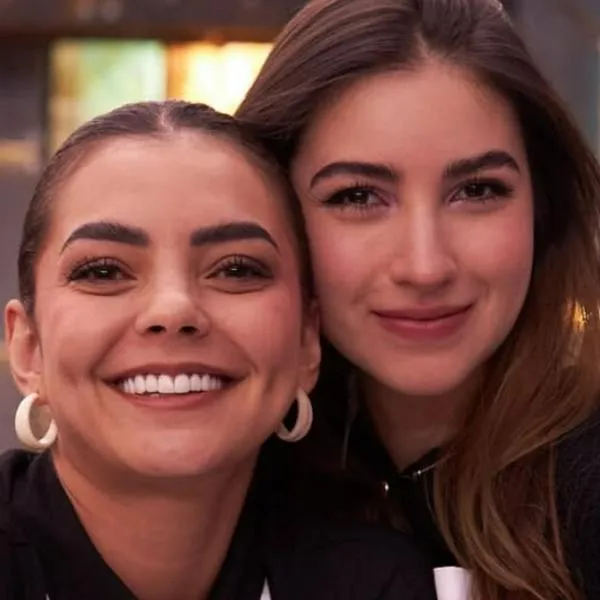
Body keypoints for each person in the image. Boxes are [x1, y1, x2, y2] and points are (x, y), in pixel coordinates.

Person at [0, 100, 437, 600]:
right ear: (28, 347)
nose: (174, 310)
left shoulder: (369, 582)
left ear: (306, 340)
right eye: (103, 271)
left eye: (236, 269)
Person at [237, 0, 600, 598]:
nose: (425, 266)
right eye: (358, 197)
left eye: (477, 190)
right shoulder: (229, 480)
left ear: (544, 208)